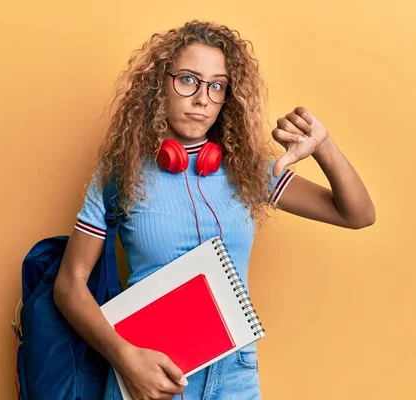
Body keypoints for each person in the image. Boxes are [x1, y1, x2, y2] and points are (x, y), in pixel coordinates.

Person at [53, 20, 375, 400]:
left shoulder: (248, 171)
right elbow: (69, 285)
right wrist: (125, 358)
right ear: (161, 84)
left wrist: (324, 145)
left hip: (236, 372)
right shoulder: (121, 173)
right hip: (150, 373)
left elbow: (357, 214)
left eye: (217, 86)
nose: (202, 98)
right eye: (188, 80)